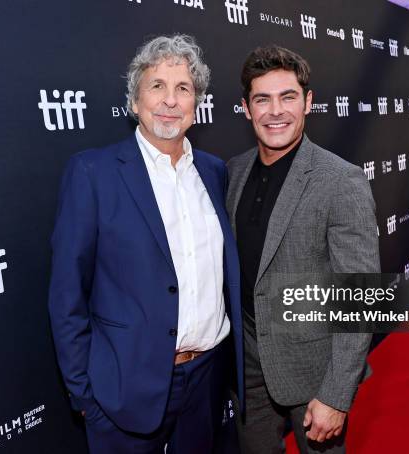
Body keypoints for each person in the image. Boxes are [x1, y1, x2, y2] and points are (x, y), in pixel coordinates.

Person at [48, 34, 243, 454]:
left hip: (207, 379)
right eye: (157, 86)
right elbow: (67, 293)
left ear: (197, 104)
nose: (170, 100)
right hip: (124, 389)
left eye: (183, 88)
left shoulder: (213, 172)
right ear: (134, 102)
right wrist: (85, 395)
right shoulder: (93, 173)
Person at [226, 45, 380, 454]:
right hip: (249, 370)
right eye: (262, 99)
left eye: (287, 96)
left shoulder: (340, 180)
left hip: (315, 371)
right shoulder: (232, 172)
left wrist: (336, 394)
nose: (275, 111)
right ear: (246, 108)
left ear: (308, 102)